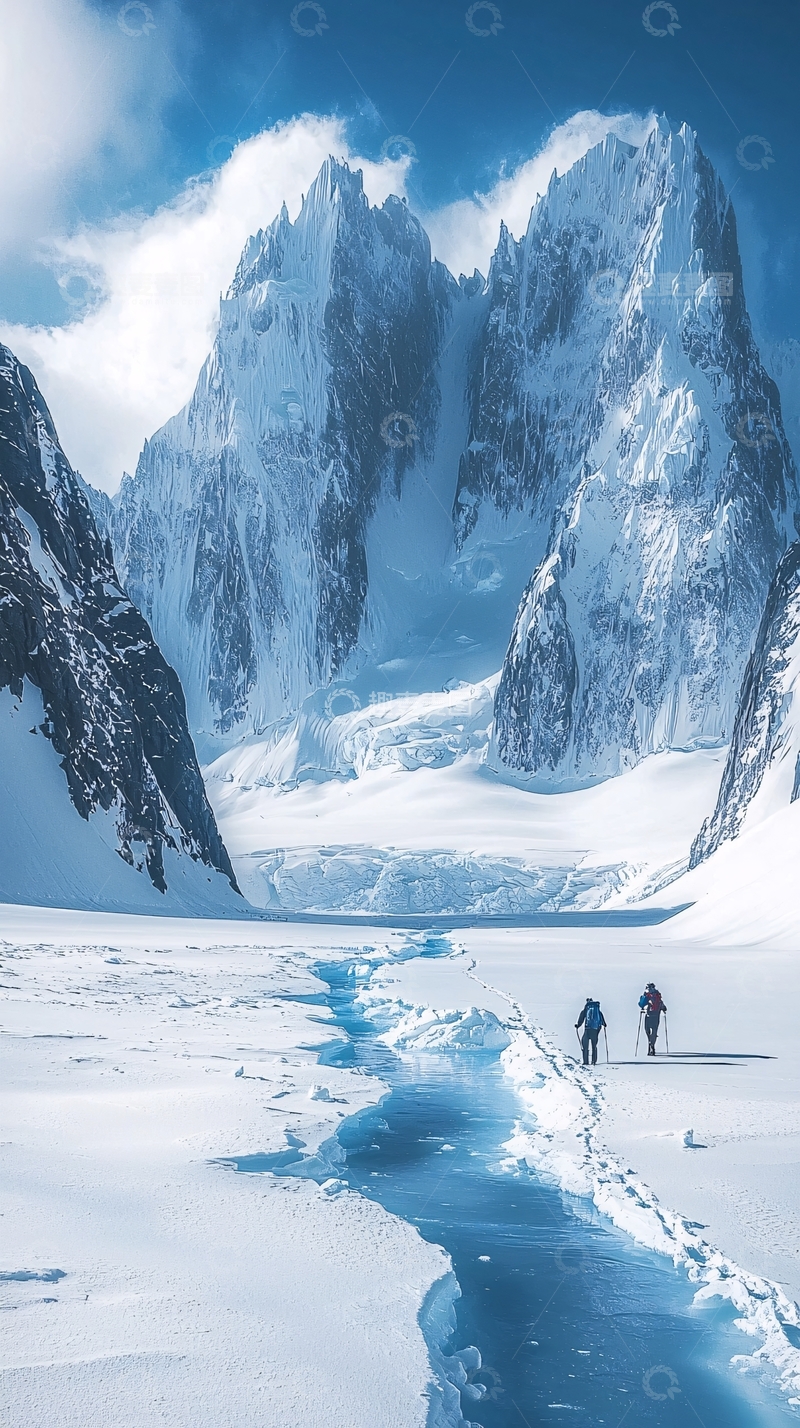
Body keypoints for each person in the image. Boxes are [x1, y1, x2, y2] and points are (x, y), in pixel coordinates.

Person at [575, 997, 606, 1065]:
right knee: (594, 1046)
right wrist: (604, 1024)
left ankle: (586, 1061)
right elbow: (601, 1019)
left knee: (585, 1045)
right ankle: (593, 1061)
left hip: (587, 1029)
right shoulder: (597, 1010)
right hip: (595, 1030)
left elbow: (581, 1018)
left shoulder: (586, 1009)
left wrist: (578, 1025)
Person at [639, 982, 667, 1056]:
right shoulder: (657, 995)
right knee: (654, 1031)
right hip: (656, 1016)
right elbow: (663, 1006)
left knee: (647, 1031)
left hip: (648, 1016)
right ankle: (652, 1045)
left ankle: (650, 1044)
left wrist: (644, 997)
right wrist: (663, 1009)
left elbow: (641, 1004)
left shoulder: (646, 995)